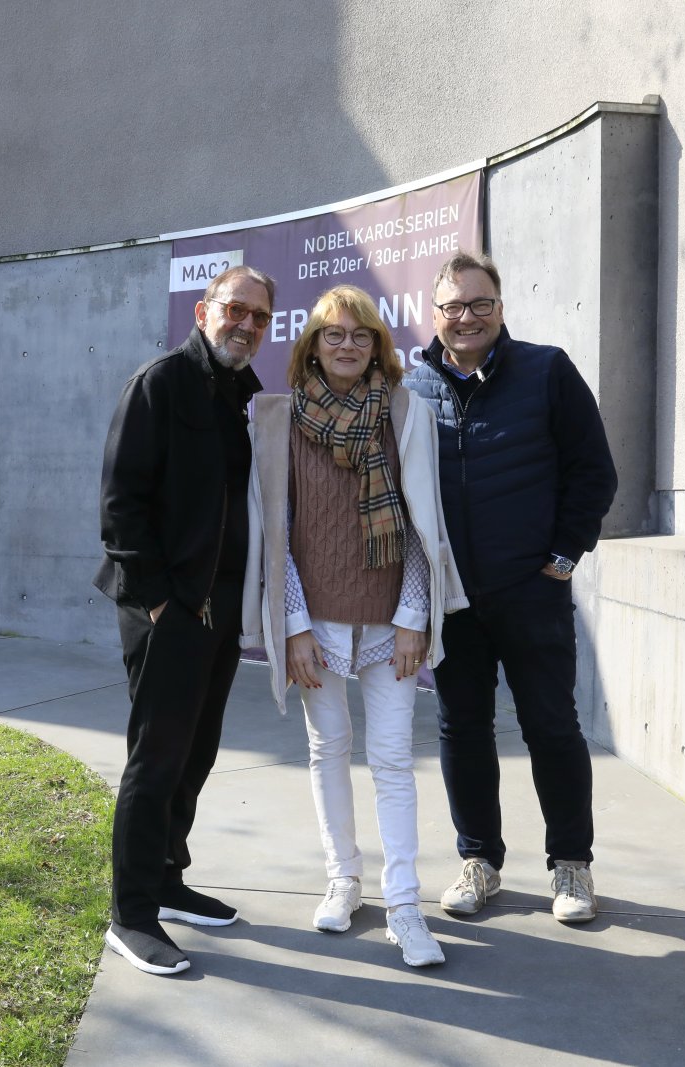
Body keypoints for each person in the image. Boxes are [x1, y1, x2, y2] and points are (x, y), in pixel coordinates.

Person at [241, 285, 468, 967]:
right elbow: (277, 532)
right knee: (328, 748)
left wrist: (413, 619)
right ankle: (343, 879)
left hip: (391, 619)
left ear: (377, 345)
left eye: (361, 335)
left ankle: (404, 904)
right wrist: (292, 626)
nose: (347, 345)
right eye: (334, 334)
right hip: (314, 620)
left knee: (393, 759)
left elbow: (424, 522)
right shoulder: (277, 419)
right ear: (312, 345)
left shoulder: (406, 412)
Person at [405, 251, 618, 924]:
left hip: (532, 591)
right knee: (462, 729)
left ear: (500, 309)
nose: (466, 317)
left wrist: (564, 553)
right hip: (453, 600)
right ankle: (479, 860)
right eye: (453, 306)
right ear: (434, 314)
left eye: (480, 304)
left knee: (551, 727)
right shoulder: (411, 387)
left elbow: (594, 469)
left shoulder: (547, 370)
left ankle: (572, 864)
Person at [92, 265, 273, 976]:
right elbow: (121, 502)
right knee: (157, 755)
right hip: (167, 605)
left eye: (259, 317)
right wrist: (160, 601)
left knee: (196, 751)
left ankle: (167, 878)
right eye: (235, 310)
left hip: (220, 606)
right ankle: (132, 913)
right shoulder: (160, 382)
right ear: (204, 311)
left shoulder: (245, 394)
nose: (246, 325)